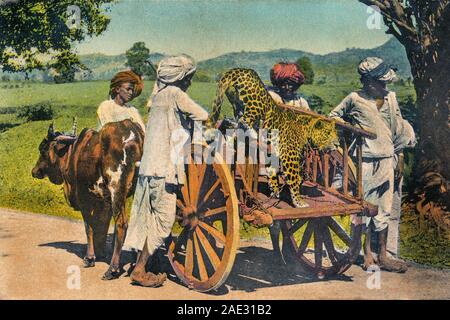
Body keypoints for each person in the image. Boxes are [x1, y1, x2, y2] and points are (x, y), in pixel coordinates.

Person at [124, 55, 209, 287]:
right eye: (188, 78)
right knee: (164, 221)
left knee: (149, 217)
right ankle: (139, 270)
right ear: (181, 78)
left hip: (149, 169)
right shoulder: (175, 94)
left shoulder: (158, 97)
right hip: (164, 169)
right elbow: (203, 115)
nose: (189, 82)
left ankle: (147, 264)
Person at [329, 57, 415, 273]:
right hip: (364, 160)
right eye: (381, 83)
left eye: (386, 83)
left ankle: (384, 255)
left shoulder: (391, 98)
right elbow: (333, 117)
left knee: (384, 207)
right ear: (368, 82)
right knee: (364, 207)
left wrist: (400, 157)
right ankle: (366, 254)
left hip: (387, 159)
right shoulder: (354, 98)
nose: (385, 87)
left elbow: (398, 129)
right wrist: (351, 129)